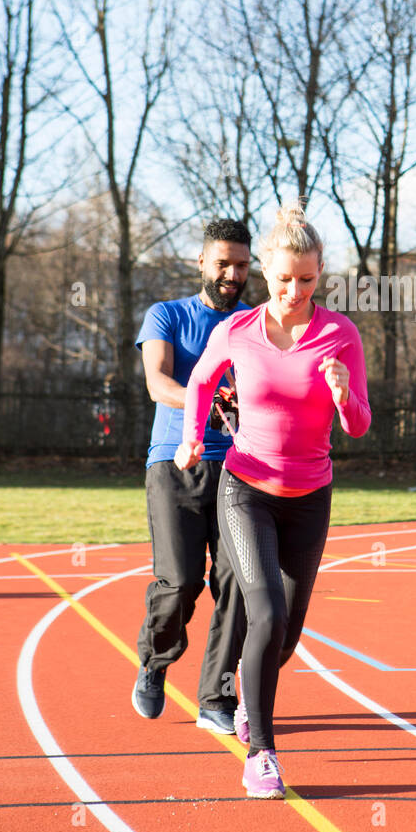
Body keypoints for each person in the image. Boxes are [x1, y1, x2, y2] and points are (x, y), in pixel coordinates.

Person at [175, 203, 371, 798]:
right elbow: (201, 383)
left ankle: (249, 686)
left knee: (284, 637)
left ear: (321, 276)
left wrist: (342, 395)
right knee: (264, 614)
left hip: (310, 496)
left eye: (307, 280)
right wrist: (190, 440)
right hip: (247, 489)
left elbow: (359, 426)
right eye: (284, 279)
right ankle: (261, 752)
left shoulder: (341, 334)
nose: (294, 290)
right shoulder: (236, 330)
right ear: (265, 272)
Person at [131, 218, 252, 734]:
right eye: (222, 262)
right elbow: (158, 383)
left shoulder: (257, 323)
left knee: (238, 583)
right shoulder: (167, 315)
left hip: (242, 468)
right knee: (180, 582)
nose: (231, 273)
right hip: (174, 461)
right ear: (201, 262)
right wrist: (209, 397)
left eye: (242, 265)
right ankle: (155, 663)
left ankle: (217, 696)